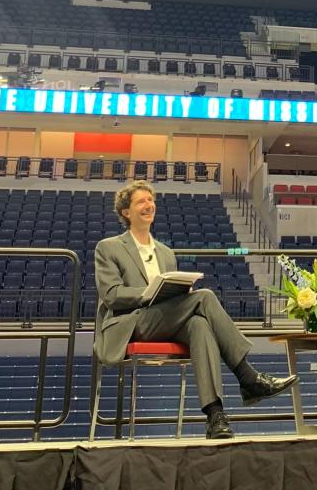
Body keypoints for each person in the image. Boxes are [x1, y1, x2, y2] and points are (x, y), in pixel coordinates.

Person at [94, 179, 298, 439]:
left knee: (199, 325)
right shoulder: (109, 247)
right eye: (141, 201)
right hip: (130, 324)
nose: (149, 205)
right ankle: (248, 377)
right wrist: (149, 293)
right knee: (204, 297)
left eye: (151, 200)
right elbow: (112, 296)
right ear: (126, 212)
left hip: (166, 320)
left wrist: (178, 292)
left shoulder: (166, 252)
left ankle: (215, 416)